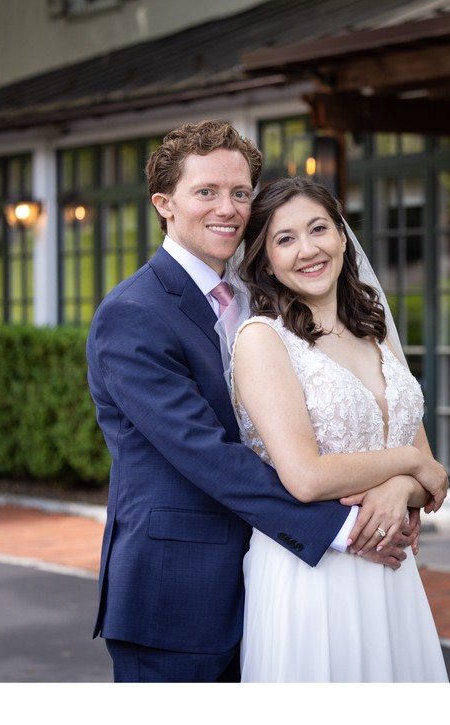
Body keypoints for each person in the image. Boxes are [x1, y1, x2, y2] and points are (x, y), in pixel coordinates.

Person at [85, 120, 427, 682]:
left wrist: (396, 486)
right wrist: (346, 528)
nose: (228, 208)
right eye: (207, 192)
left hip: (272, 581)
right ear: (164, 204)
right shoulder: (134, 314)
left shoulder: (264, 300)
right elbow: (208, 454)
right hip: (179, 593)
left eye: (240, 193)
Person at [221, 176, 449, 681]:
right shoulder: (263, 340)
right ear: (265, 259)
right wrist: (411, 467)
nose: (308, 250)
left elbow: (421, 457)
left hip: (390, 568)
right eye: (285, 239)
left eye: (318, 228)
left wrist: (400, 487)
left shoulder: (375, 328)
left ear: (343, 236)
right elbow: (305, 476)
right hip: (312, 571)